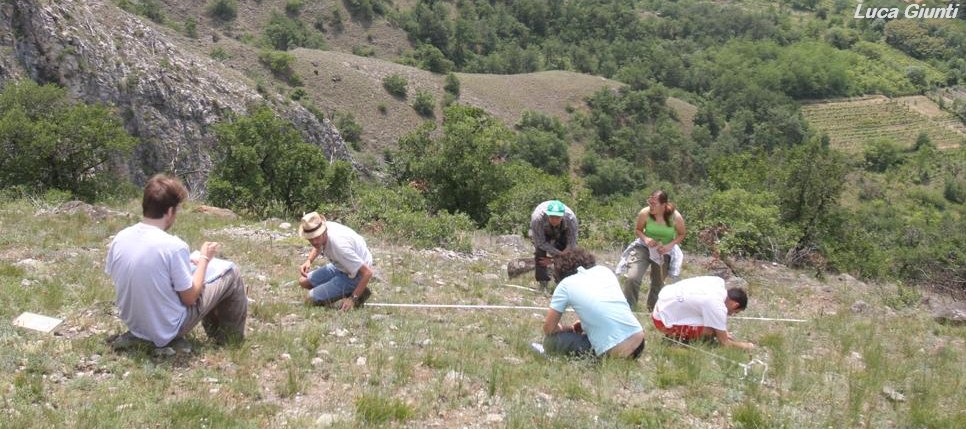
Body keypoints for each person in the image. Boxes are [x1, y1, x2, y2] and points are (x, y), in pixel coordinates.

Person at [105, 174, 248, 348]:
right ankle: (229, 340)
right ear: (170, 211)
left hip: (135, 326)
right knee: (230, 272)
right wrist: (204, 258)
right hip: (167, 329)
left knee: (197, 272)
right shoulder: (173, 246)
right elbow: (190, 298)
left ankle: (218, 334)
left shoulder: (121, 238)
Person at [541, 248, 645, 359]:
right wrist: (585, 325)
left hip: (612, 352)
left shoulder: (565, 285)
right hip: (639, 342)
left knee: (550, 341)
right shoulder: (604, 271)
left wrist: (568, 328)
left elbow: (549, 328)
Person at [622, 190, 686, 310]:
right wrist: (646, 239)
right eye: (649, 202)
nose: (650, 206)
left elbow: (682, 234)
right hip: (644, 248)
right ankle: (629, 308)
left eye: (654, 203)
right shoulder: (645, 213)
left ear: (663, 205)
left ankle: (652, 311)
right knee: (632, 277)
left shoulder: (675, 217)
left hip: (663, 251)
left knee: (658, 283)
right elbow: (638, 230)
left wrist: (669, 245)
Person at [651, 276, 754, 350]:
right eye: (735, 312)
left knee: (714, 326)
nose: (731, 315)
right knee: (710, 330)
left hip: (661, 304)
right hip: (661, 320)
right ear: (735, 305)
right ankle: (676, 341)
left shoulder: (716, 282)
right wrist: (746, 346)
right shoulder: (717, 306)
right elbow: (725, 343)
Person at [297, 212, 373, 311]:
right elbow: (318, 245)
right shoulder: (321, 226)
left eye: (316, 237)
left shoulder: (339, 246)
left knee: (310, 299)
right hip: (341, 265)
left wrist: (353, 299)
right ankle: (348, 290)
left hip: (357, 273)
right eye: (310, 239)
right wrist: (309, 261)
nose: (314, 242)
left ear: (323, 232)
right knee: (303, 281)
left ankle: (357, 292)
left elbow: (367, 272)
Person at [529, 200, 578, 292]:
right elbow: (540, 242)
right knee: (540, 253)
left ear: (563, 216)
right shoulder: (537, 218)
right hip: (543, 231)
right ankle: (543, 284)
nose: (554, 220)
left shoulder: (571, 219)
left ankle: (563, 283)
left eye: (557, 217)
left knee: (568, 254)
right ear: (548, 214)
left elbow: (572, 244)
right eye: (551, 216)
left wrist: (555, 259)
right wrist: (559, 255)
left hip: (563, 230)